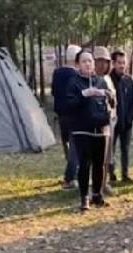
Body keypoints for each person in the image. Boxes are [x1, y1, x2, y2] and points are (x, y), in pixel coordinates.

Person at [62, 49, 115, 210]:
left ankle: (97, 195)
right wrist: (84, 95)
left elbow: (112, 102)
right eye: (84, 61)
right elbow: (68, 105)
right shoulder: (73, 83)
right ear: (78, 64)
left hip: (101, 128)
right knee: (84, 164)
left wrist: (109, 95)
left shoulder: (101, 81)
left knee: (99, 164)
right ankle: (84, 197)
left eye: (90, 61)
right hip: (82, 129)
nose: (88, 64)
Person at [51, 44, 83, 189]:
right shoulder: (77, 76)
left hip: (61, 115)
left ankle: (71, 170)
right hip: (75, 115)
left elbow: (53, 92)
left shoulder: (57, 73)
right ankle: (70, 177)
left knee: (66, 144)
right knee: (75, 147)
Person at [109, 50, 133, 183]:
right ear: (113, 63)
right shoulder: (108, 80)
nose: (122, 65)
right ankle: (111, 174)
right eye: (119, 63)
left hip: (127, 122)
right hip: (112, 122)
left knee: (125, 149)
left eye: (124, 63)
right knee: (111, 149)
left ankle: (125, 174)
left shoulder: (129, 80)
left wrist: (131, 117)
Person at [94, 47, 118, 195]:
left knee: (107, 156)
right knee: (98, 157)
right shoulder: (92, 79)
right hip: (98, 122)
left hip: (110, 121)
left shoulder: (108, 78)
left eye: (105, 61)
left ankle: (104, 183)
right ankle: (97, 186)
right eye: (99, 61)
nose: (103, 64)